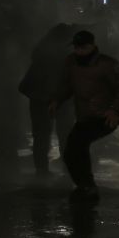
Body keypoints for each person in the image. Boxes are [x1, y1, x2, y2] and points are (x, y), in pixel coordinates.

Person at [50, 30, 119, 202]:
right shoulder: (71, 62)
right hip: (84, 116)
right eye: (77, 48)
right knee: (73, 151)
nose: (79, 52)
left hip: (103, 117)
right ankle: (85, 184)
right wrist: (57, 100)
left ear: (93, 46)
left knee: (77, 146)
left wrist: (114, 110)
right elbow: (67, 85)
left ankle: (87, 185)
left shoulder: (108, 64)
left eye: (83, 48)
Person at [19, 23, 73, 175]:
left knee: (42, 134)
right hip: (55, 98)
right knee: (63, 132)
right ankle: (65, 166)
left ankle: (42, 169)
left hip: (39, 97)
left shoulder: (41, 51)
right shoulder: (62, 54)